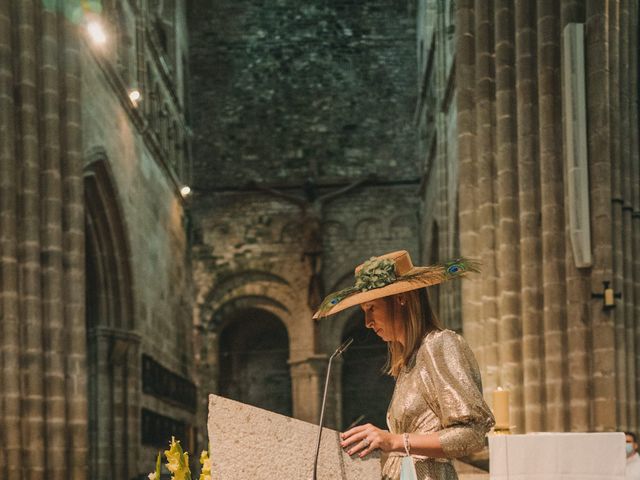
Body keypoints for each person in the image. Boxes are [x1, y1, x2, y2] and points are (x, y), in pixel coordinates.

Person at [314, 250, 495, 480]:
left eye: (372, 309)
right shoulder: (410, 360)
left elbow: (473, 433)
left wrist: (394, 441)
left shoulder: (439, 344)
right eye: (364, 312)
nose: (368, 323)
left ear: (401, 299)